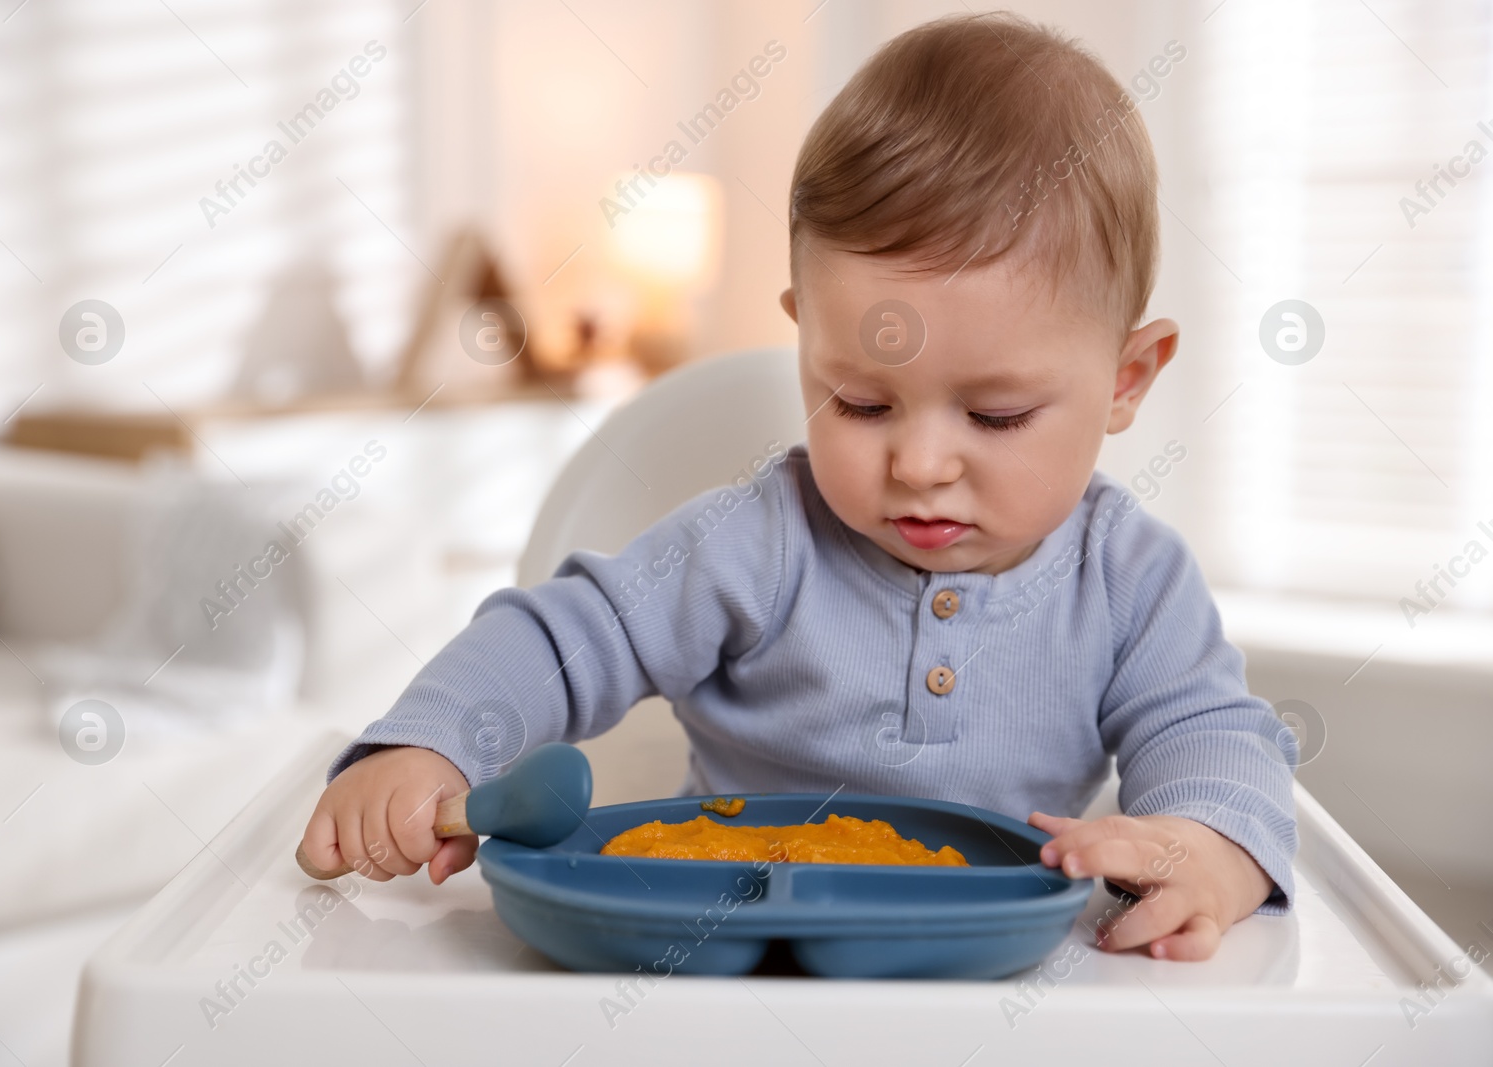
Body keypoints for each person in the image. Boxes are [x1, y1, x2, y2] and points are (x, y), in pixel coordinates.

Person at [302, 12, 1296, 962]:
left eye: (994, 417)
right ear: (804, 336)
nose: (919, 463)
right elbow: (565, 638)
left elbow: (1208, 731)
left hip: (990, 962)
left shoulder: (1130, 579)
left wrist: (1206, 844)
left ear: (1125, 379)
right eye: (862, 401)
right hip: (728, 937)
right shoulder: (760, 540)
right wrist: (427, 745)